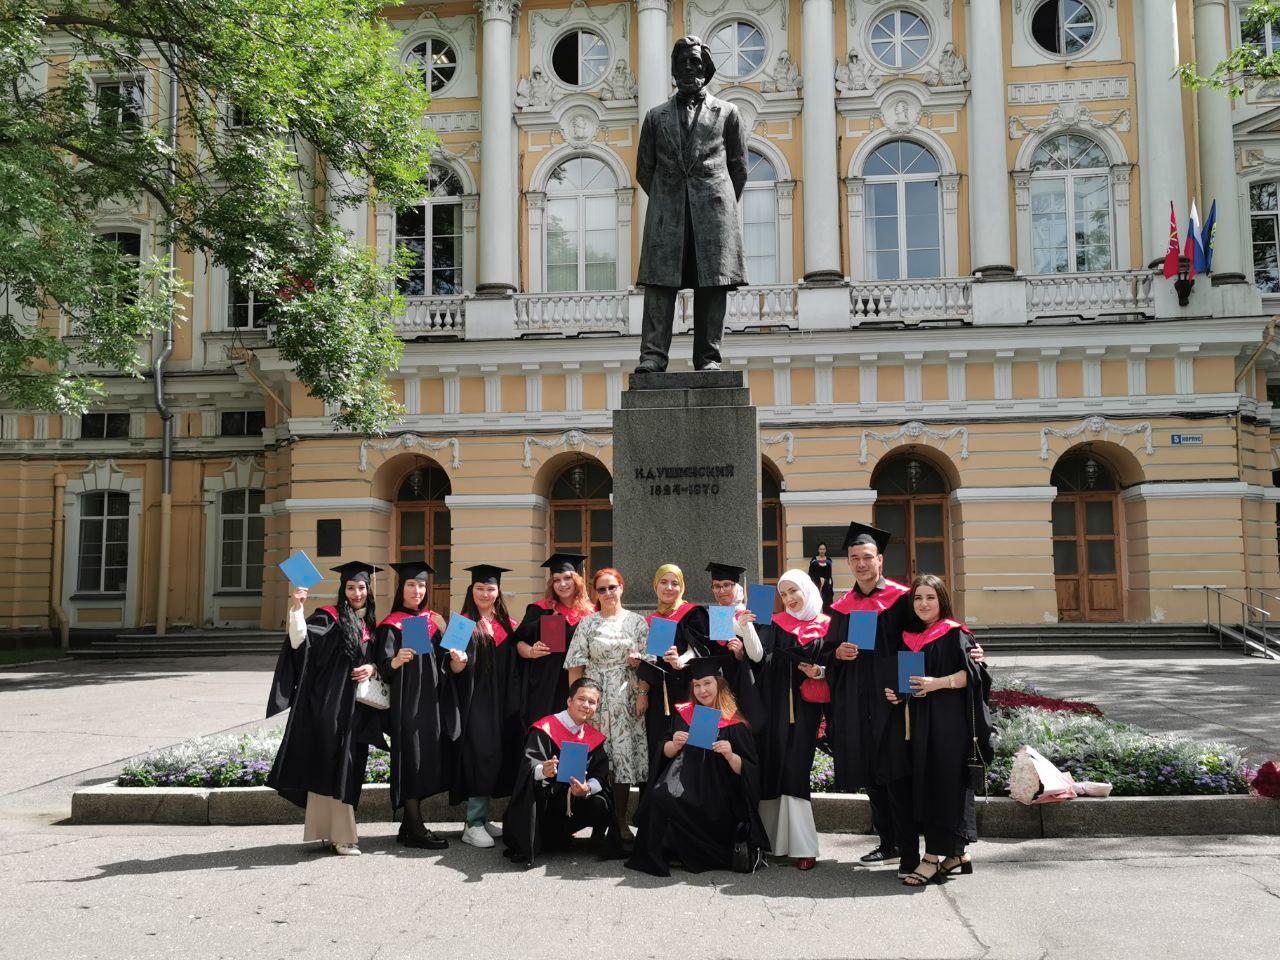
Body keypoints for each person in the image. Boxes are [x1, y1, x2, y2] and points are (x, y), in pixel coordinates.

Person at [634, 36, 748, 373]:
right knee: (659, 284)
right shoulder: (655, 118)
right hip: (667, 211)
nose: (689, 67)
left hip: (713, 211)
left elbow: (738, 168)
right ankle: (652, 356)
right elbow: (644, 169)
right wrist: (668, 198)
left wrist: (717, 202)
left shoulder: (729, 113)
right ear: (673, 70)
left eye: (695, 61)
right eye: (682, 61)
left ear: (707, 68)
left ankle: (708, 358)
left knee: (711, 284)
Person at [267, 561, 384, 856]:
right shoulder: (329, 618)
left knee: (347, 766)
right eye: (350, 588)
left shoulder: (369, 624)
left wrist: (371, 667)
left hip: (355, 709)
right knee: (336, 766)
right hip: (330, 706)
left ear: (368, 591)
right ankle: (344, 836)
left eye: (361, 587)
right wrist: (296, 608)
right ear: (342, 591)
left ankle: (323, 831)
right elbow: (300, 642)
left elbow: (378, 659)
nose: (356, 593)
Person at [883, 575, 993, 886]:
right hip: (921, 724)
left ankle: (932, 857)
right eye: (918, 598)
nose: (923, 604)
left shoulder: (956, 634)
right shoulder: (912, 636)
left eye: (930, 597)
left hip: (949, 725)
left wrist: (938, 684)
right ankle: (956, 854)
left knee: (944, 786)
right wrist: (898, 694)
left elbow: (973, 676)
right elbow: (910, 681)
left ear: (941, 600)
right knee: (930, 784)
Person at [626, 656, 769, 877]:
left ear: (719, 684)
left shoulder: (734, 723)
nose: (702, 691)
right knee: (660, 796)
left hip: (720, 791)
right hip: (684, 780)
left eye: (707, 683)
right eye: (697, 685)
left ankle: (696, 852)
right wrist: (674, 745)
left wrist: (731, 756)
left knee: (705, 806)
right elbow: (663, 751)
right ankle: (664, 852)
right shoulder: (684, 715)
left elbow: (750, 769)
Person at [824, 522, 911, 869]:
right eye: (854, 558)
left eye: (867, 557)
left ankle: (909, 845)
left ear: (881, 560)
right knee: (872, 772)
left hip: (890, 698)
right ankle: (888, 841)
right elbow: (828, 649)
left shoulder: (903, 599)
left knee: (896, 771)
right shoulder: (843, 605)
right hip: (858, 700)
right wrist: (837, 654)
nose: (861, 564)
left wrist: (907, 691)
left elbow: (917, 643)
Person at [565, 567, 650, 846]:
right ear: (595, 593)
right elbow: (575, 665)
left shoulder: (638, 622)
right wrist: (577, 703)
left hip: (626, 696)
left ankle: (620, 820)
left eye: (612, 587)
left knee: (623, 757)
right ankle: (593, 818)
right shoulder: (587, 624)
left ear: (622, 588)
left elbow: (648, 665)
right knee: (599, 756)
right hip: (594, 697)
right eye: (601, 589)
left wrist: (642, 693)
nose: (608, 593)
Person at [754, 569, 831, 870]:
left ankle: (803, 846)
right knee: (773, 765)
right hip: (775, 705)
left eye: (793, 591)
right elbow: (761, 660)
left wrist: (821, 671)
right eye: (783, 594)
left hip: (806, 708)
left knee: (796, 771)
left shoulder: (827, 625)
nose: (789, 599)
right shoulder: (775, 624)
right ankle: (770, 842)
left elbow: (837, 664)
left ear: (807, 590)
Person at [445, 564, 522, 849]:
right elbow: (451, 669)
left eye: (490, 589)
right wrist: (458, 661)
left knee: (499, 754)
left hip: (503, 701)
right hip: (475, 701)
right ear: (471, 590)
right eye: (480, 588)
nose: (485, 593)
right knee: (481, 755)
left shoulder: (508, 624)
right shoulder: (461, 623)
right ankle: (472, 823)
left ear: (498, 591)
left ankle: (483, 817)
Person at [502, 678, 618, 867]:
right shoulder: (545, 729)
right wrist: (543, 771)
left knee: (601, 801)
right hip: (545, 803)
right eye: (581, 699)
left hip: (572, 801)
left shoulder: (592, 737)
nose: (586, 705)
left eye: (592, 702)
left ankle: (590, 839)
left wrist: (586, 788)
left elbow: (600, 773)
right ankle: (541, 839)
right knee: (533, 796)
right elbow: (528, 768)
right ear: (569, 701)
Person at [376, 561, 451, 850]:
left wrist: (445, 631)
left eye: (421, 585)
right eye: (411, 585)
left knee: (423, 759)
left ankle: (408, 826)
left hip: (429, 702)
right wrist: (396, 660)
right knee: (411, 758)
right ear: (401, 588)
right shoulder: (391, 624)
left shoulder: (430, 621)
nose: (417, 590)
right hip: (406, 702)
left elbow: (442, 660)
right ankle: (417, 828)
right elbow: (384, 667)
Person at [637, 564, 710, 768]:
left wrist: (681, 660)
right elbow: (651, 659)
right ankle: (658, 795)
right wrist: (638, 662)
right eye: (663, 582)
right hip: (660, 694)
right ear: (656, 586)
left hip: (690, 689)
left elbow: (701, 647)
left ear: (682, 587)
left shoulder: (693, 613)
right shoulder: (652, 621)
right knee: (660, 743)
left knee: (689, 741)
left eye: (675, 583)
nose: (669, 587)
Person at [513, 552, 594, 728]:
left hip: (580, 684)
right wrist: (531, 652)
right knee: (545, 730)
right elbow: (517, 642)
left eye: (567, 578)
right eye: (556, 580)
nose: (562, 584)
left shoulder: (590, 614)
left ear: (577, 581)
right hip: (545, 685)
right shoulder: (540, 610)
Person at [705, 561, 766, 729]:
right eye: (716, 586)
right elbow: (718, 652)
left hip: (749, 685)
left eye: (727, 585)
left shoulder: (755, 612)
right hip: (723, 684)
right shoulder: (716, 615)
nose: (721, 590)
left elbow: (760, 655)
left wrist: (741, 654)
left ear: (737, 586)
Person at [807, 543, 835, 610]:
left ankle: (828, 618)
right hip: (816, 583)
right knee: (816, 602)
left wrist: (824, 580)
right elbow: (810, 572)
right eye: (820, 549)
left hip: (826, 584)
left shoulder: (829, 560)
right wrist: (818, 580)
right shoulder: (814, 560)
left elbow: (829, 573)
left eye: (823, 549)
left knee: (827, 603)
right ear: (818, 550)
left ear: (825, 550)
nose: (822, 551)